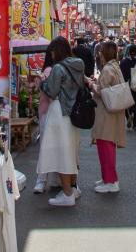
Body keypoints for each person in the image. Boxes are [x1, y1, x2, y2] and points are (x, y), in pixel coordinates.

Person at [39, 36, 86, 207]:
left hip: (59, 111)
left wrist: (42, 82)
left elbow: (51, 91)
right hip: (74, 113)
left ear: (56, 50)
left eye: (52, 51)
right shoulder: (79, 64)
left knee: (60, 153)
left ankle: (67, 194)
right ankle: (73, 188)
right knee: (71, 152)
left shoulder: (58, 68)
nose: (50, 54)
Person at [90, 39, 126, 193]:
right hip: (113, 112)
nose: (99, 55)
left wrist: (91, 84)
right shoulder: (115, 67)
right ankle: (108, 178)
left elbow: (102, 90)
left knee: (106, 149)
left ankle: (111, 181)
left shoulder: (107, 69)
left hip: (106, 114)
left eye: (100, 52)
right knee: (107, 148)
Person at [33, 43, 58, 194]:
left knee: (46, 146)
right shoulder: (51, 70)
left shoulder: (47, 70)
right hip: (54, 112)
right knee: (57, 147)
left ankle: (42, 180)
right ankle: (50, 179)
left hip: (46, 112)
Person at [119, 44, 136, 130]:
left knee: (127, 104)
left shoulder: (123, 62)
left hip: (127, 86)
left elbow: (121, 75)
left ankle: (129, 117)